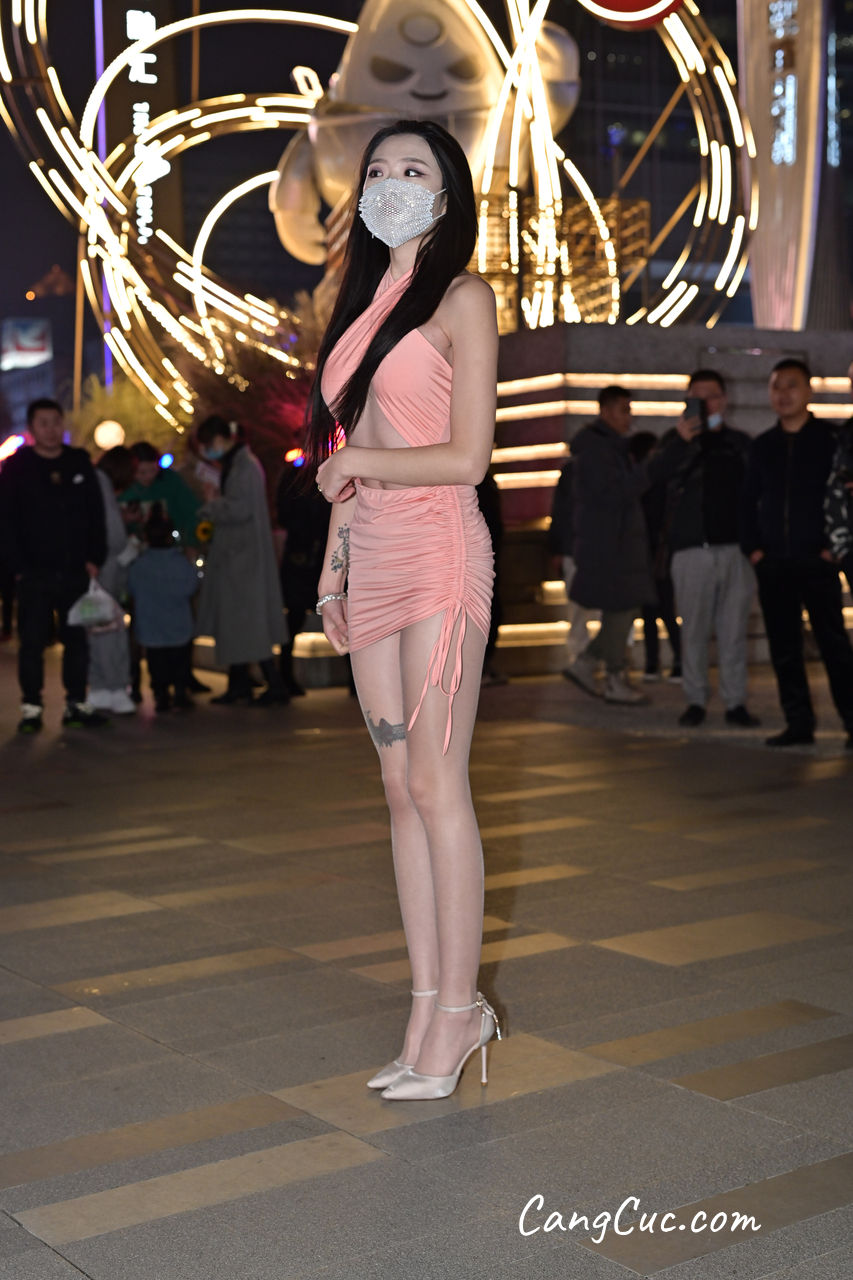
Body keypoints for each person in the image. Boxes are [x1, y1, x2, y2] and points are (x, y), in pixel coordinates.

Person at [310, 120, 500, 1101]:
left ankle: (461, 1011)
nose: (389, 182)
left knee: (435, 782)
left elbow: (468, 457)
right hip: (374, 555)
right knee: (396, 788)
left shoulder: (463, 297)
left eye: (412, 169)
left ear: (446, 191)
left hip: (437, 551)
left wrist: (356, 462)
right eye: (377, 169)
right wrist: (332, 571)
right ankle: (426, 1006)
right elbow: (347, 449)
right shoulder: (359, 307)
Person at [742, 358, 853, 748]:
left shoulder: (831, 439)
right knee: (784, 647)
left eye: (791, 385)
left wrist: (833, 548)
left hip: (818, 559)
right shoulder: (762, 446)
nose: (783, 394)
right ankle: (798, 724)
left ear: (809, 391)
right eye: (776, 386)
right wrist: (754, 550)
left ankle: (852, 722)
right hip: (773, 562)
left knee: (834, 645)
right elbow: (748, 502)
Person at [563, 387, 685, 704]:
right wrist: (649, 469)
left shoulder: (606, 448)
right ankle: (611, 676)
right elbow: (617, 494)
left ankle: (589, 664)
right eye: (623, 410)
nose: (629, 417)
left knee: (624, 609)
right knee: (622, 608)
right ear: (605, 411)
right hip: (610, 547)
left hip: (615, 545)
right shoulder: (597, 452)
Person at [0, 398, 108, 732]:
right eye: (43, 422)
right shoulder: (17, 467)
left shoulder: (79, 463)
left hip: (75, 569)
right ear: (31, 428)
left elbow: (96, 513)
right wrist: (17, 565)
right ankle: (32, 707)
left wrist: (95, 557)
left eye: (56, 421)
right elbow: (6, 519)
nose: (51, 429)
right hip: (34, 572)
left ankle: (76, 704)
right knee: (32, 642)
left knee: (77, 640)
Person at [663, 370, 758, 728]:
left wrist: (755, 545)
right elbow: (654, 479)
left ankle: (736, 701)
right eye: (697, 397)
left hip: (736, 551)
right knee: (693, 631)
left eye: (712, 396)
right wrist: (681, 442)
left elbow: (757, 494)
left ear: (724, 400)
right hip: (691, 550)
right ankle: (695, 699)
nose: (705, 404)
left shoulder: (740, 444)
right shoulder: (674, 444)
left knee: (734, 632)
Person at [194, 416, 289, 706]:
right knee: (239, 623)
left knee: (246, 623)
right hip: (240, 555)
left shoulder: (243, 466)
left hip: (242, 557)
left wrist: (211, 504)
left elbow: (239, 508)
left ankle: (268, 684)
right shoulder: (241, 463)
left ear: (218, 439)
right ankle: (241, 684)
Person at [128, 507, 199, 711]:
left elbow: (132, 587)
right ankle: (180, 693)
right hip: (178, 623)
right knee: (180, 661)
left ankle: (161, 695)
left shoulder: (140, 565)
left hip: (150, 624)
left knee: (156, 662)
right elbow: (192, 586)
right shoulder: (180, 563)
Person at [627, 431, 681, 684]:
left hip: (654, 552)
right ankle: (663, 662)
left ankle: (658, 662)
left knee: (659, 609)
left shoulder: (648, 481)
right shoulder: (654, 480)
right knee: (657, 610)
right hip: (654, 551)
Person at [275, 456, 331, 696]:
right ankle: (285, 674)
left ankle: (285, 674)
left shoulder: (325, 471)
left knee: (330, 610)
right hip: (304, 554)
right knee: (295, 616)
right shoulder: (294, 476)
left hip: (316, 553)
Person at [88, 446, 137, 714]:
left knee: (94, 629)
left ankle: (99, 687)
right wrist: (129, 549)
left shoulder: (91, 482)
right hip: (107, 570)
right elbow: (114, 535)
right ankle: (116, 687)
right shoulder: (102, 485)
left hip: (92, 570)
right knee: (111, 630)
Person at [549, 456, 600, 665]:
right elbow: (560, 511)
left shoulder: (573, 469)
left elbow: (560, 510)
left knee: (584, 607)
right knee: (580, 607)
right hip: (579, 546)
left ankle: (587, 656)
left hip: (582, 546)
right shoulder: (573, 470)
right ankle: (586, 657)